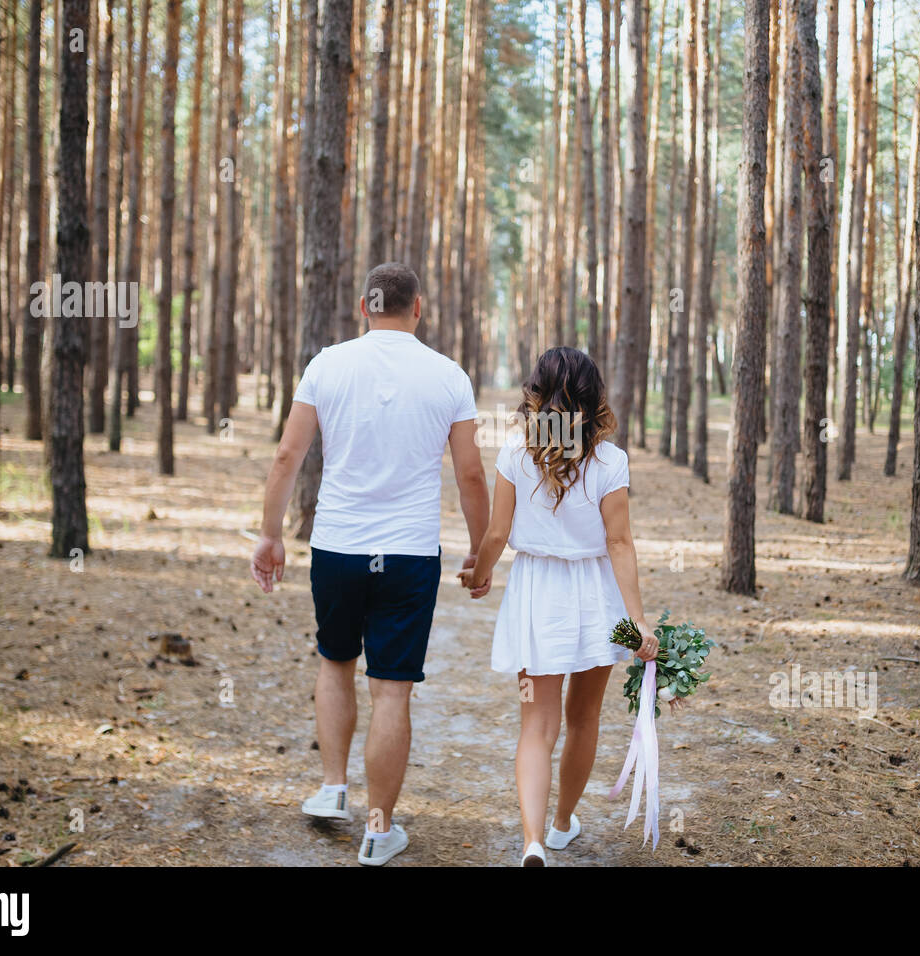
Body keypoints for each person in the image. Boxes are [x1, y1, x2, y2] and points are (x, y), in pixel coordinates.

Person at [251, 262, 490, 866]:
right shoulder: (448, 376)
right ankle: (379, 831)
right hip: (409, 554)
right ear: (418, 308)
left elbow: (288, 456)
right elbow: (468, 473)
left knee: (335, 664)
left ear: (365, 306)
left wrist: (269, 535)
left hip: (338, 546)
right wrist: (481, 550)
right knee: (392, 691)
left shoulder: (327, 364)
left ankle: (333, 790)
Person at [459, 346, 660, 867]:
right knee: (583, 718)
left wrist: (478, 575)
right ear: (594, 398)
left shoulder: (514, 453)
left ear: (537, 394)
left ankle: (531, 842)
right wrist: (638, 619)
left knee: (536, 726)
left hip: (536, 594)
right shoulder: (610, 461)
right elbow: (619, 543)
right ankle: (564, 821)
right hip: (598, 598)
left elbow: (498, 533)